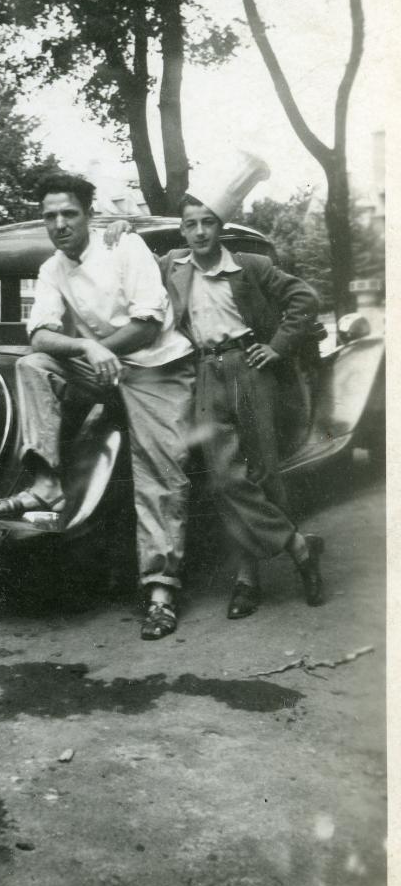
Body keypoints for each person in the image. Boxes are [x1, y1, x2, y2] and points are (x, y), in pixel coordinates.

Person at [0, 171, 196, 640]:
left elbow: (147, 322)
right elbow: (38, 334)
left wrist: (101, 349)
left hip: (157, 368)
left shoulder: (126, 247)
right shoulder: (52, 268)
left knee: (160, 472)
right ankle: (47, 485)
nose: (59, 224)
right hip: (103, 366)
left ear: (89, 215)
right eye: (50, 216)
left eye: (69, 213)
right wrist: (87, 350)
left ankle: (160, 593)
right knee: (34, 365)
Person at [158, 153, 325, 618]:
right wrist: (115, 236)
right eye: (190, 224)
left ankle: (249, 580)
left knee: (265, 474)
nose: (199, 232)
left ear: (220, 227)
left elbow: (304, 298)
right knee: (226, 479)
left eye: (208, 223)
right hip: (204, 375)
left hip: (251, 371)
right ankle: (299, 547)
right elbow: (127, 272)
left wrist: (277, 346)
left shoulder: (249, 266)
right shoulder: (172, 265)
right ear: (183, 230)